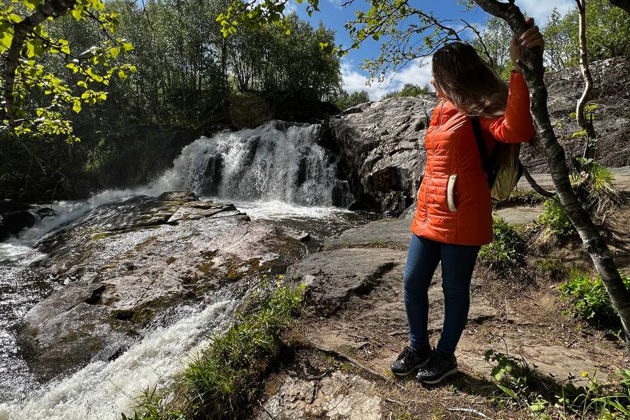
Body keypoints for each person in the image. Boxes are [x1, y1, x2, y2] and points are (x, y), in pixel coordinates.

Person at [390, 18, 544, 384]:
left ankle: (445, 356)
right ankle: (418, 348)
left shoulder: (483, 106)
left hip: (463, 214)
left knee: (454, 290)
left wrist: (520, 69)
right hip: (428, 211)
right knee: (412, 284)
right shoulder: (440, 110)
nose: (431, 80)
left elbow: (517, 130)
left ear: (453, 74)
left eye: (436, 73)